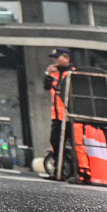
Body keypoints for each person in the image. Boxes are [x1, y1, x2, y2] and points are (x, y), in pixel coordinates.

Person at [43, 48, 79, 179]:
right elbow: (47, 87)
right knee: (55, 142)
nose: (55, 60)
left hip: (71, 116)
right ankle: (59, 171)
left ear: (67, 58)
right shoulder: (54, 73)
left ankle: (79, 172)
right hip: (57, 116)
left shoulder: (74, 73)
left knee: (76, 145)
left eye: (57, 57)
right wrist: (48, 73)